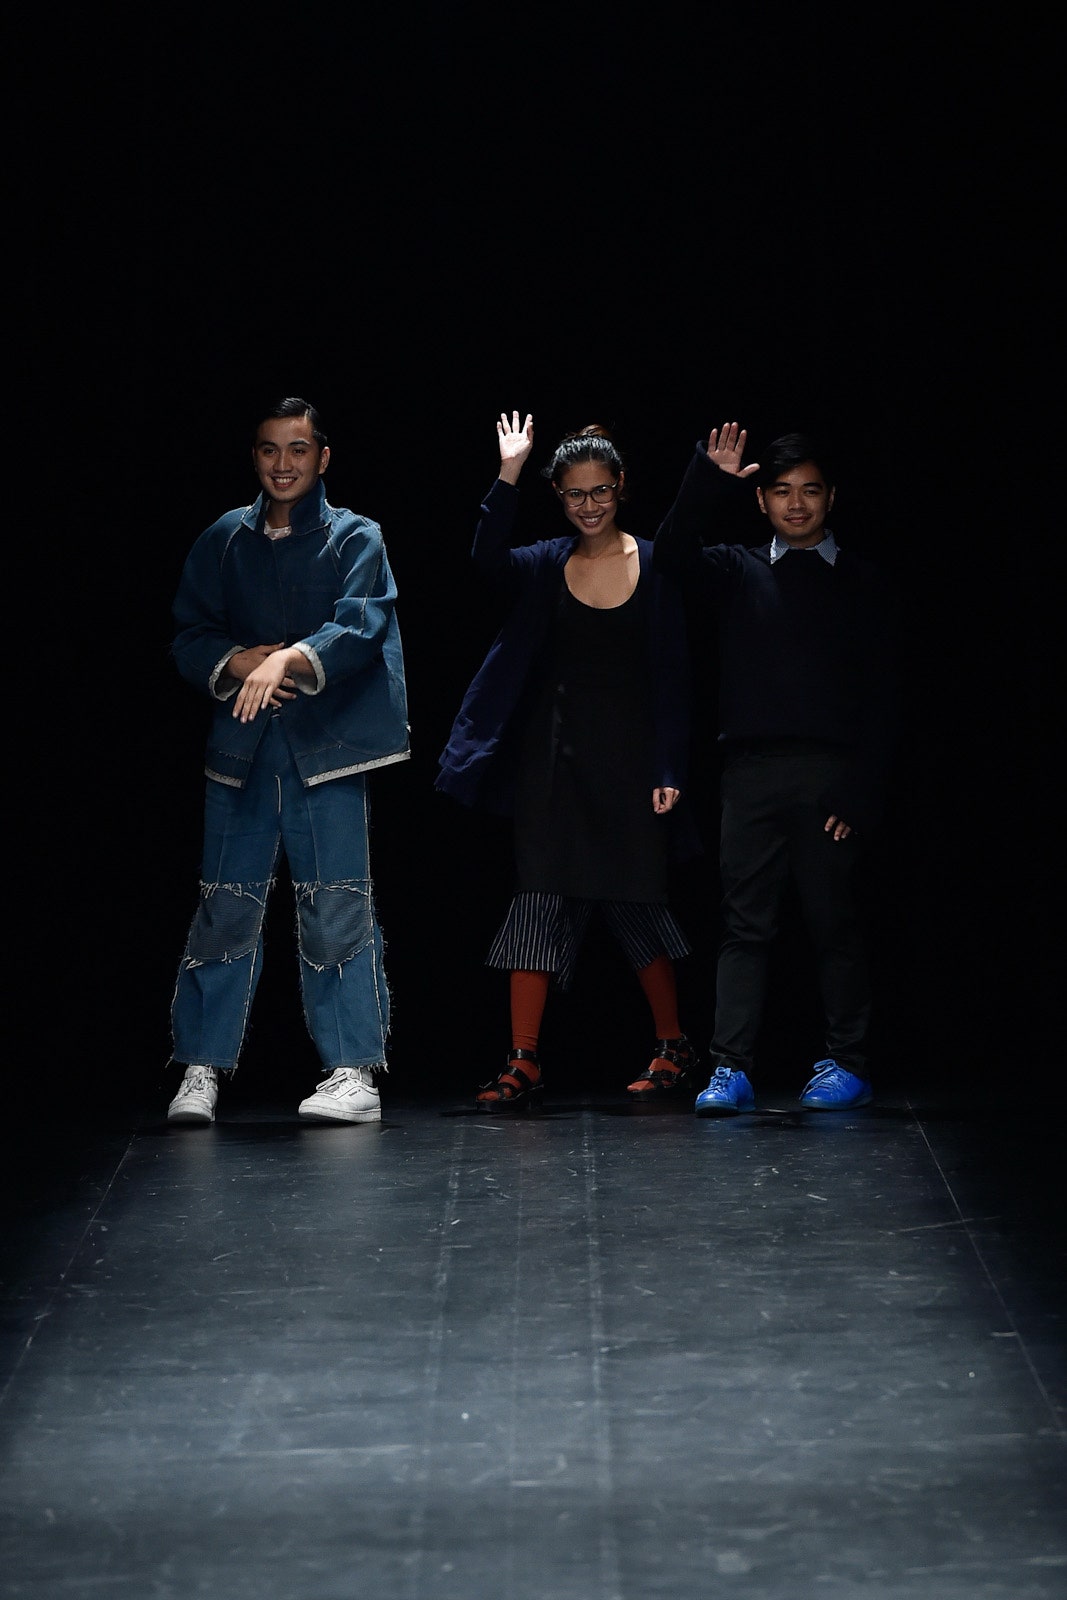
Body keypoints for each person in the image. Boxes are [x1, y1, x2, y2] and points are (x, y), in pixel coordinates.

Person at [436, 412, 699, 1109]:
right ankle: (523, 1060)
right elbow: (484, 557)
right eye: (574, 494)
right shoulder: (543, 563)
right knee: (537, 906)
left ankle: (673, 1046)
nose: (588, 505)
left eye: (600, 492)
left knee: (637, 907)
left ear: (620, 488)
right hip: (552, 770)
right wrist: (508, 470)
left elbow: (673, 677)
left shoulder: (652, 564)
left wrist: (670, 769)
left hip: (631, 769)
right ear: (559, 495)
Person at [165, 397, 409, 1126]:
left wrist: (291, 660)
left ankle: (352, 1071)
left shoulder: (353, 536)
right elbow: (190, 633)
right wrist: (235, 658)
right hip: (242, 746)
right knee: (224, 905)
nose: (283, 463)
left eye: (297, 449)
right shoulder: (224, 539)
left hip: (325, 745)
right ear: (255, 457)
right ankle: (201, 1067)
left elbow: (361, 622)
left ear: (322, 457)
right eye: (270, 450)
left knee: (335, 901)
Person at [653, 421, 899, 1115]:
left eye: (809, 491)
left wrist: (860, 791)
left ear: (829, 498)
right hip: (750, 774)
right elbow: (670, 555)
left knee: (833, 923)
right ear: (760, 500)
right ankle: (729, 1068)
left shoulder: (861, 582)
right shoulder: (738, 568)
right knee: (743, 926)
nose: (796, 504)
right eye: (781, 492)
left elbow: (884, 698)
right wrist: (705, 477)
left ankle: (846, 1062)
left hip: (830, 778)